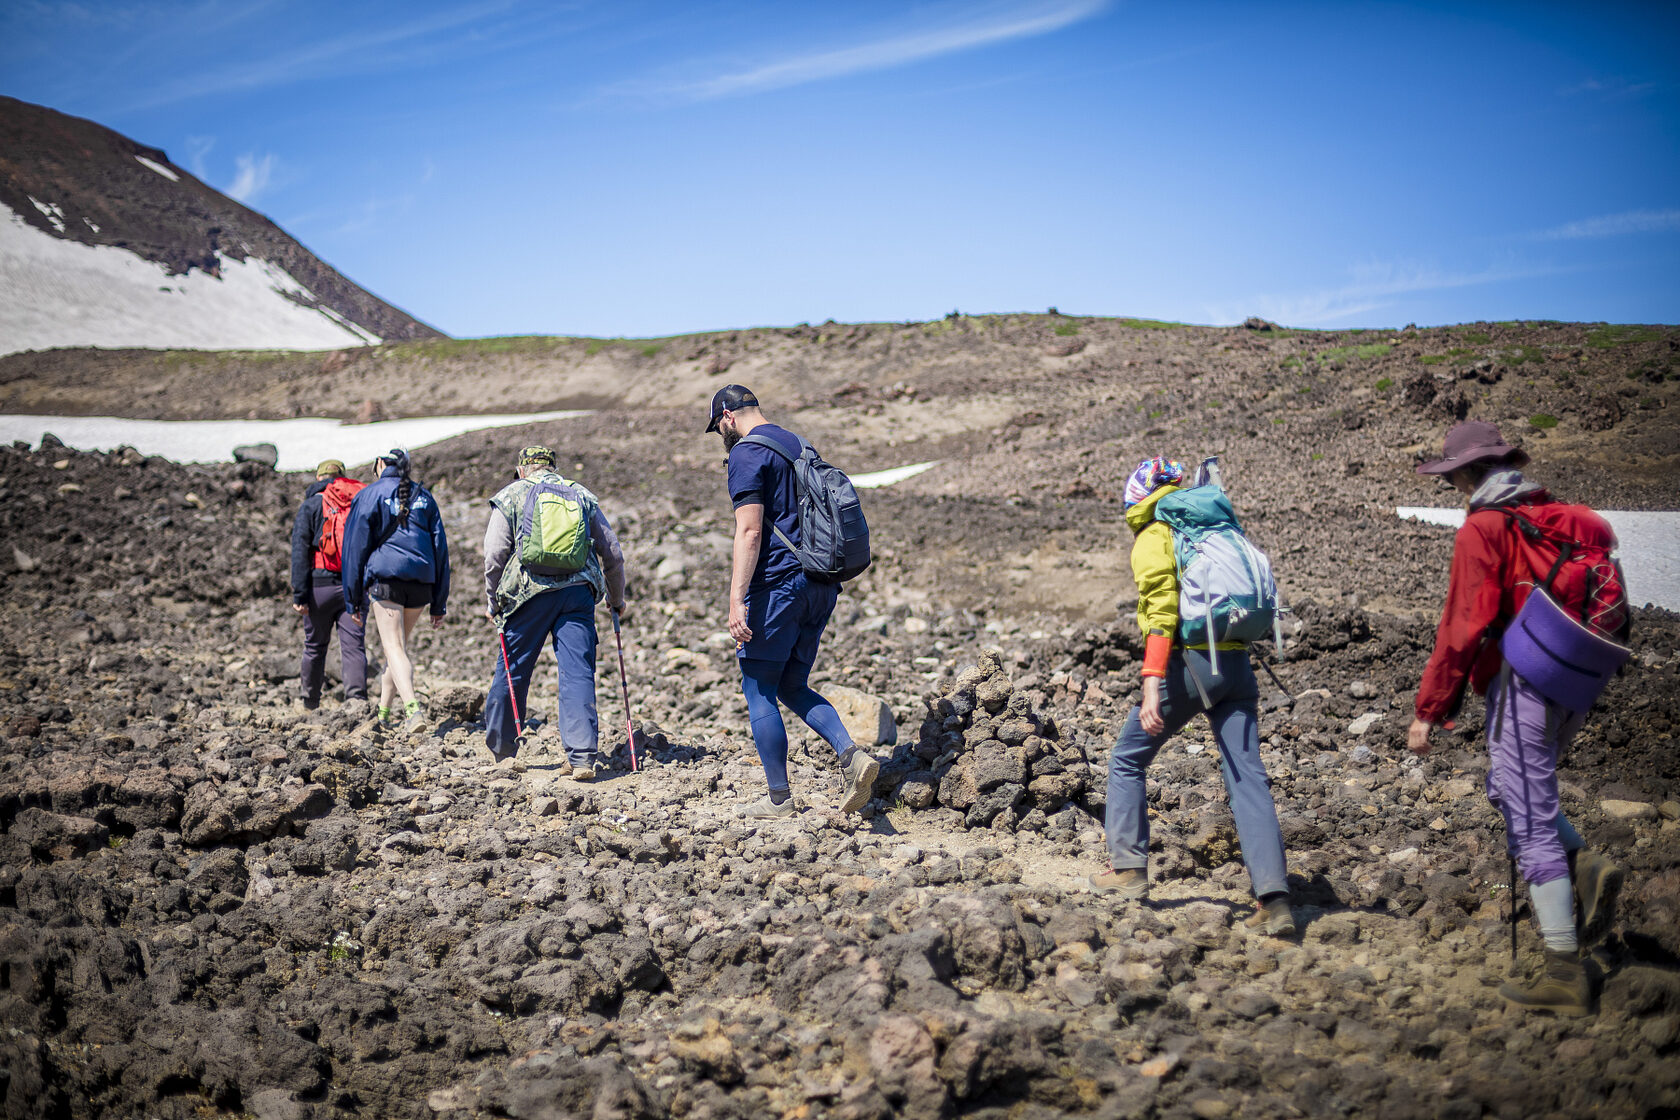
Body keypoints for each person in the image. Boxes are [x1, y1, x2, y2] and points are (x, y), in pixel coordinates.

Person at [1408, 420, 1626, 1016]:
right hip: (1575, 679)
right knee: (1511, 789)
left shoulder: (1483, 528)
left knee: (1527, 817)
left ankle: (1563, 971)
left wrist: (1430, 709)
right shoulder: (1567, 519)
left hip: (1520, 680)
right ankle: (1583, 866)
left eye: (1453, 477)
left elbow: (1464, 624)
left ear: (1464, 475)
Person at [1091, 456, 1295, 937]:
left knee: (1126, 758)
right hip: (1239, 663)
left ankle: (1128, 873)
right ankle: (1275, 899)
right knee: (1247, 776)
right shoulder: (1213, 525)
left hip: (1192, 664)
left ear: (1135, 499)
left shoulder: (1154, 535)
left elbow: (1161, 610)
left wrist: (1150, 683)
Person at [706, 384, 879, 819]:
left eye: (718, 428)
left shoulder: (746, 453)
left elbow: (750, 531)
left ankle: (779, 799)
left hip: (779, 586)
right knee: (792, 684)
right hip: (821, 583)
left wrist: (736, 600)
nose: (721, 436)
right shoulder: (798, 444)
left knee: (758, 684)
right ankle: (852, 756)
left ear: (728, 416)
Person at [482, 445, 627, 776]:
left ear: (522, 470)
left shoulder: (511, 495)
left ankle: (504, 753)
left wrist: (493, 601)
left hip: (526, 594)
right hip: (577, 595)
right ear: (553, 468)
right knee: (577, 672)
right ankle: (582, 757)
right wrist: (615, 599)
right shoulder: (579, 494)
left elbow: (494, 554)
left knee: (513, 668)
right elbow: (613, 553)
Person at [341, 448, 450, 731]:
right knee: (398, 649)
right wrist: (439, 602)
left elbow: (354, 549)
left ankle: (413, 710)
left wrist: (352, 598)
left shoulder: (369, 495)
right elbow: (441, 550)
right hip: (421, 583)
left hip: (386, 580)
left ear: (379, 464)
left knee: (393, 648)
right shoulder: (425, 497)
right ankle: (384, 713)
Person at [289, 459, 367, 709]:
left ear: (319, 478)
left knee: (314, 646)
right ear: (342, 478)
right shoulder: (356, 503)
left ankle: (310, 702)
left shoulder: (311, 505)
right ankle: (356, 701)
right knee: (353, 646)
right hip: (352, 588)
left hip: (318, 586)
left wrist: (300, 595)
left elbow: (300, 552)